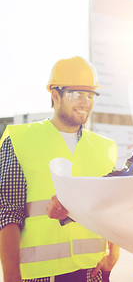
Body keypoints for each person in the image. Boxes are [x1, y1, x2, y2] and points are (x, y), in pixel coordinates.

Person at [0, 56, 119, 282]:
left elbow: (111, 208)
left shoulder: (106, 148)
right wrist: (11, 277)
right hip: (39, 276)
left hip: (91, 274)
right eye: (77, 94)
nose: (85, 102)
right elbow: (7, 213)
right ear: (55, 95)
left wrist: (113, 254)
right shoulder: (19, 140)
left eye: (90, 95)